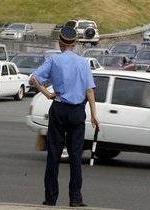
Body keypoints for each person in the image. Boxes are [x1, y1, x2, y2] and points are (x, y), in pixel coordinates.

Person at [30, 26, 100, 207]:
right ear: (75, 44)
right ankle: (75, 198)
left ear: (60, 43)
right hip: (77, 112)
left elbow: (34, 78)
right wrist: (94, 114)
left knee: (54, 154)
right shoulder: (83, 63)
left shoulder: (54, 60)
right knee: (76, 156)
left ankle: (50, 198)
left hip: (59, 109)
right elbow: (90, 91)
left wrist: (47, 94)